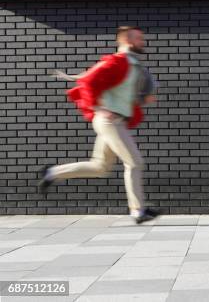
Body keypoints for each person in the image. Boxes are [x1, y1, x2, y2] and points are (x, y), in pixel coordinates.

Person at [38, 26, 161, 224]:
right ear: (127, 41)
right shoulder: (118, 61)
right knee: (135, 162)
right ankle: (138, 211)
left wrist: (142, 99)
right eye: (139, 39)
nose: (143, 42)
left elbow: (124, 93)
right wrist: (98, 107)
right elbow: (89, 81)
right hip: (110, 122)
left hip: (115, 121)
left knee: (100, 167)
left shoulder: (133, 65)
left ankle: (52, 173)